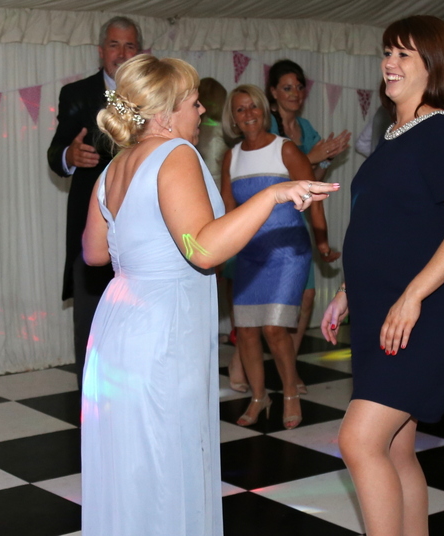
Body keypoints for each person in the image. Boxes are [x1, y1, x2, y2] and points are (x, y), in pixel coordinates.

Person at [81, 55, 337, 536]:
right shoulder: (174, 154)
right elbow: (202, 250)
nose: (203, 113)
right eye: (194, 103)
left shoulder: (114, 167)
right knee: (165, 461)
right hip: (163, 331)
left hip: (118, 324)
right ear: (163, 112)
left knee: (133, 465)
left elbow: (95, 253)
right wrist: (273, 196)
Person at [320, 15, 444, 536]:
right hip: (381, 308)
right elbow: (388, 224)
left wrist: (412, 297)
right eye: (388, 52)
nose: (390, 63)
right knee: (395, 446)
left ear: (432, 65)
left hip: (423, 313)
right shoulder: (394, 134)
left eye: (404, 55)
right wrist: (347, 291)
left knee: (359, 440)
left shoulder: (442, 131)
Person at [46, 16, 141, 389]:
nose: (121, 53)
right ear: (101, 51)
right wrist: (70, 155)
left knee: (136, 316)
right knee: (90, 316)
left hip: (142, 226)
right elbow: (56, 152)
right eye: (115, 45)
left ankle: (135, 390)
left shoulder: (151, 94)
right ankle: (90, 393)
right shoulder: (78, 94)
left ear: (140, 51)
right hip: (91, 226)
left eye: (129, 45)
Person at [220, 84, 319, 429]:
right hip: (248, 254)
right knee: (246, 330)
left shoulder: (286, 149)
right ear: (232, 118)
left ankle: (290, 393)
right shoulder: (232, 156)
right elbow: (228, 208)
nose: (248, 115)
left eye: (253, 107)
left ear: (264, 109)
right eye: (240, 110)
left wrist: (321, 239)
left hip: (287, 252)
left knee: (275, 328)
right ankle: (259, 398)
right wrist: (219, 250)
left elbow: (312, 195)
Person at [266, 59, 349, 354]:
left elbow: (313, 181)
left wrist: (326, 159)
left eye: (299, 87)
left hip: (299, 220)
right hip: (269, 220)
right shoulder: (266, 126)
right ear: (273, 92)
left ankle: (291, 362)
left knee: (307, 297)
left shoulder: (306, 128)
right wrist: (311, 156)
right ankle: (246, 366)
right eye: (287, 88)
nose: (295, 93)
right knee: (265, 304)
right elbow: (273, 176)